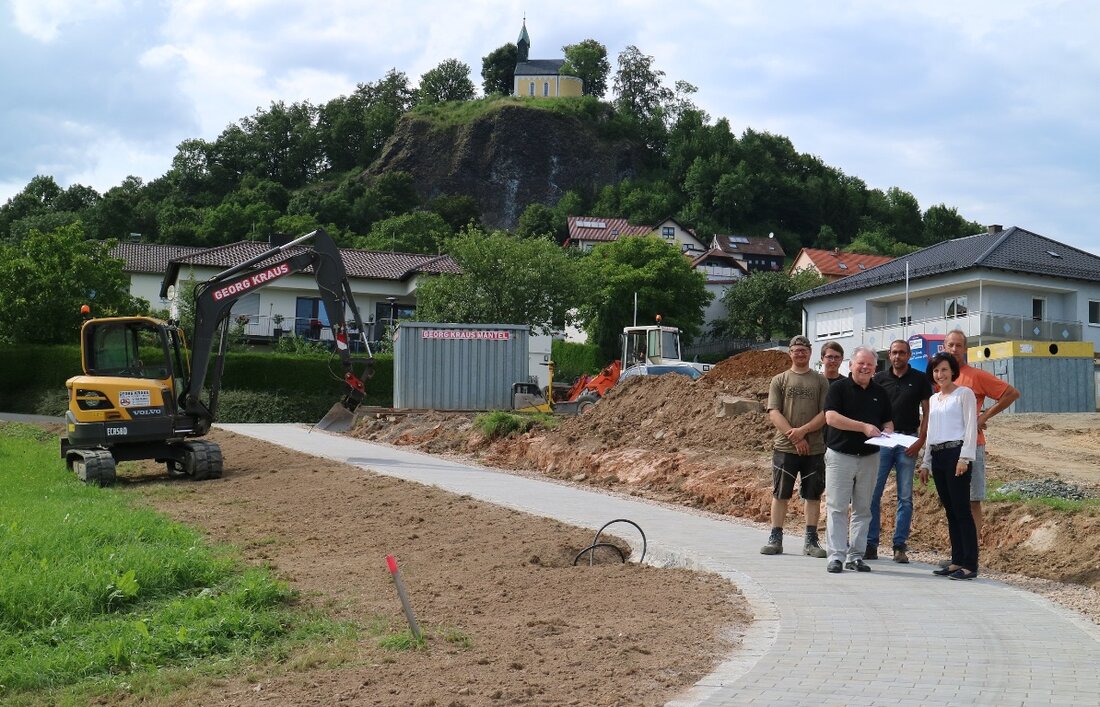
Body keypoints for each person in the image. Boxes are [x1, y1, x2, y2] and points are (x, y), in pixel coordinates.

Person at [942, 330, 1020, 540]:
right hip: (947, 447)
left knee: (972, 499)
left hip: (972, 445)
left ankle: (971, 551)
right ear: (944, 347)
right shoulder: (940, 377)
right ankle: (958, 551)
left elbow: (1011, 393)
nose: (954, 349)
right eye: (950, 345)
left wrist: (984, 416)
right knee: (953, 500)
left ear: (965, 349)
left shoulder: (976, 376)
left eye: (959, 345)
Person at [822, 346, 893, 573]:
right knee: (837, 507)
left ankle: (856, 556)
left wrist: (888, 431)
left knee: (863, 509)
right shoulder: (838, 388)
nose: (865, 368)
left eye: (870, 365)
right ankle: (835, 556)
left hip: (870, 458)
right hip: (840, 456)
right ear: (851, 364)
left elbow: (887, 421)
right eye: (861, 363)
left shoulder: (880, 392)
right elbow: (831, 417)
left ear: (875, 368)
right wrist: (862, 427)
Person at [760, 335, 830, 558]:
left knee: (813, 494)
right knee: (780, 493)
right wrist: (795, 437)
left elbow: (825, 414)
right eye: (796, 350)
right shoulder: (779, 380)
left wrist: (804, 432)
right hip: (785, 447)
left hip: (815, 447)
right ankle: (775, 538)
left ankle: (811, 540)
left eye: (804, 350)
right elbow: (774, 412)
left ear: (810, 353)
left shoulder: (820, 381)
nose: (800, 353)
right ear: (790, 353)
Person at [867, 339, 932, 563]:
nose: (897, 357)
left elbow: (927, 412)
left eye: (902, 353)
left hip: (908, 440)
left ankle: (899, 545)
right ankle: (871, 543)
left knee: (905, 497)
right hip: (884, 440)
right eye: (894, 353)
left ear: (909, 355)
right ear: (890, 355)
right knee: (874, 493)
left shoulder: (920, 379)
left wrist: (921, 440)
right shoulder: (880, 378)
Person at [919, 352, 979, 580]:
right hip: (938, 455)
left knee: (962, 509)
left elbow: (971, 427)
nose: (940, 374)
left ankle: (970, 564)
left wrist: (965, 458)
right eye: (935, 371)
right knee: (950, 510)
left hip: (957, 454)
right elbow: (931, 432)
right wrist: (926, 462)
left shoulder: (964, 394)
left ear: (952, 370)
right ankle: (957, 560)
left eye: (944, 369)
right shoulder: (934, 399)